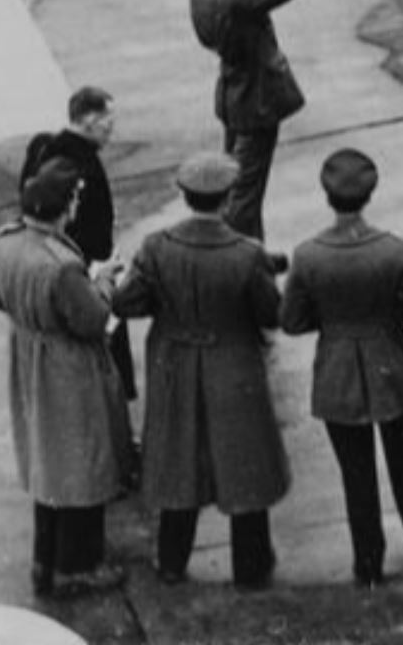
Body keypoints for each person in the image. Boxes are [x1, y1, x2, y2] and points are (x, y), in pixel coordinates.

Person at [111, 152, 289, 590]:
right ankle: (251, 563)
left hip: (173, 365)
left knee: (178, 461)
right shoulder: (246, 254)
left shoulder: (156, 247)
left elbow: (126, 303)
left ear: (185, 196)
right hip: (233, 366)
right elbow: (271, 314)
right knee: (243, 462)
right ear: (227, 200)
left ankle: (171, 559)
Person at [281, 148, 403, 587]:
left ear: (327, 195)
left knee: (356, 473)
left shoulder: (308, 255)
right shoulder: (393, 250)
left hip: (336, 369)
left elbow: (292, 321)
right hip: (390, 365)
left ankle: (368, 560)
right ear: (370, 194)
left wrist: (333, 322)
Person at [0, 162, 129, 599]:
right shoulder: (63, 265)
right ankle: (78, 566)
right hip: (67, 366)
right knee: (83, 460)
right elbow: (92, 319)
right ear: (63, 208)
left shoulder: (5, 243)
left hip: (29, 355)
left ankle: (44, 561)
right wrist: (104, 282)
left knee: (48, 460)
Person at [189, 0, 308, 246]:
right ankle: (240, 259)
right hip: (257, 103)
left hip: (233, 99)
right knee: (244, 197)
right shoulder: (238, 1)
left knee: (238, 188)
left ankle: (253, 254)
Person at [19, 87, 132, 400]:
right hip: (88, 268)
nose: (111, 130)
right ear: (91, 121)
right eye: (108, 122)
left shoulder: (44, 150)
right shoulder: (77, 163)